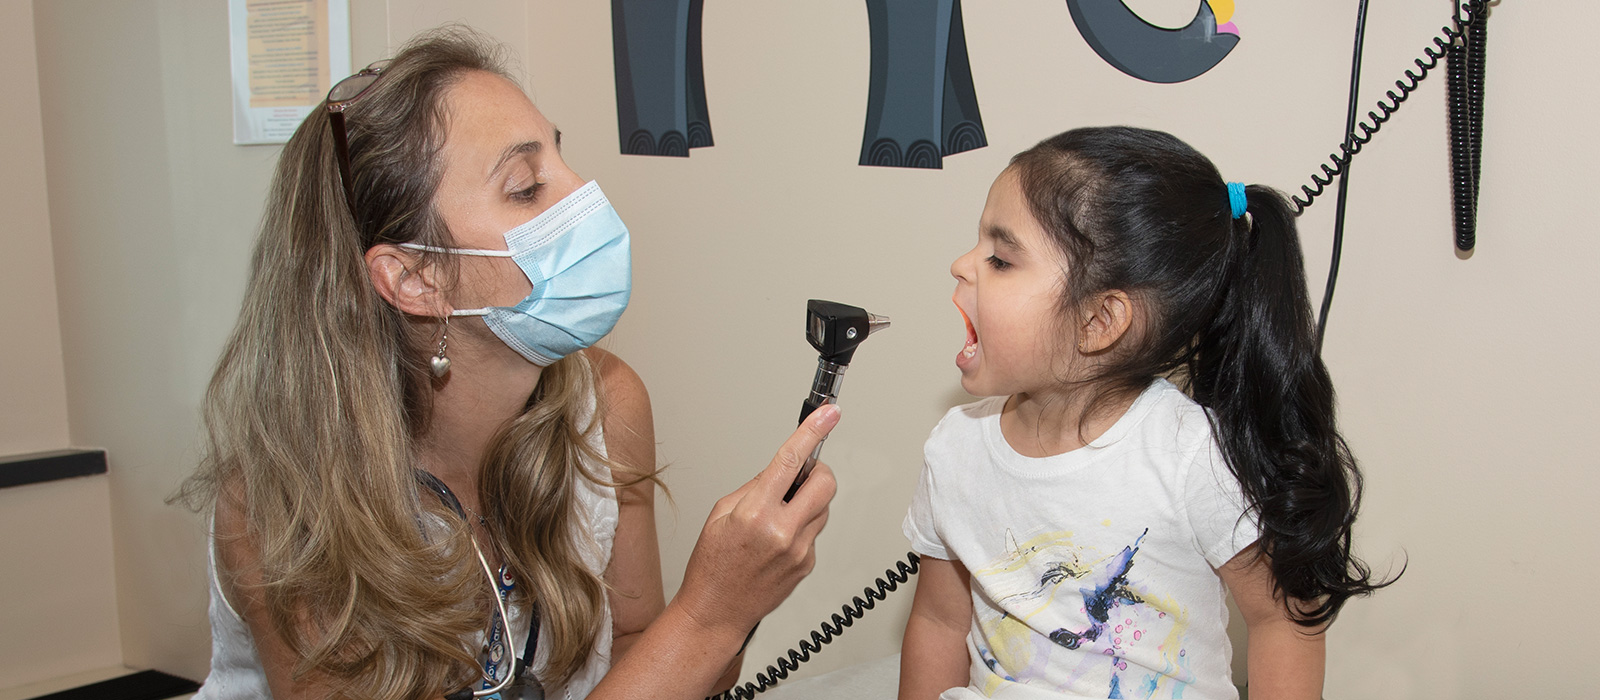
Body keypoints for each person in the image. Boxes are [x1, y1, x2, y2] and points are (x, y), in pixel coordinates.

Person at [176, 27, 838, 700]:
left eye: (563, 159)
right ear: (413, 279)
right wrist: (708, 614)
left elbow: (635, 644)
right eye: (526, 187)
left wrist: (731, 610)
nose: (585, 195)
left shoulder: (606, 404)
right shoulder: (281, 503)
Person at [897, 126, 1392, 700]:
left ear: (1099, 322)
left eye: (1001, 259)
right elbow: (938, 621)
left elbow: (1283, 619)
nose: (962, 264)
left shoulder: (1189, 456)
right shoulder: (954, 449)